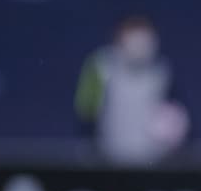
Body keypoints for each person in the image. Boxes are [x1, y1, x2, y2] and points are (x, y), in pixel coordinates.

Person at [74, 14, 189, 166]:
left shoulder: (162, 71)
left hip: (153, 160)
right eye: (133, 36)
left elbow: (177, 116)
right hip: (109, 158)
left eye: (145, 38)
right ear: (118, 39)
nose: (139, 44)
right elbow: (86, 112)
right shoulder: (101, 67)